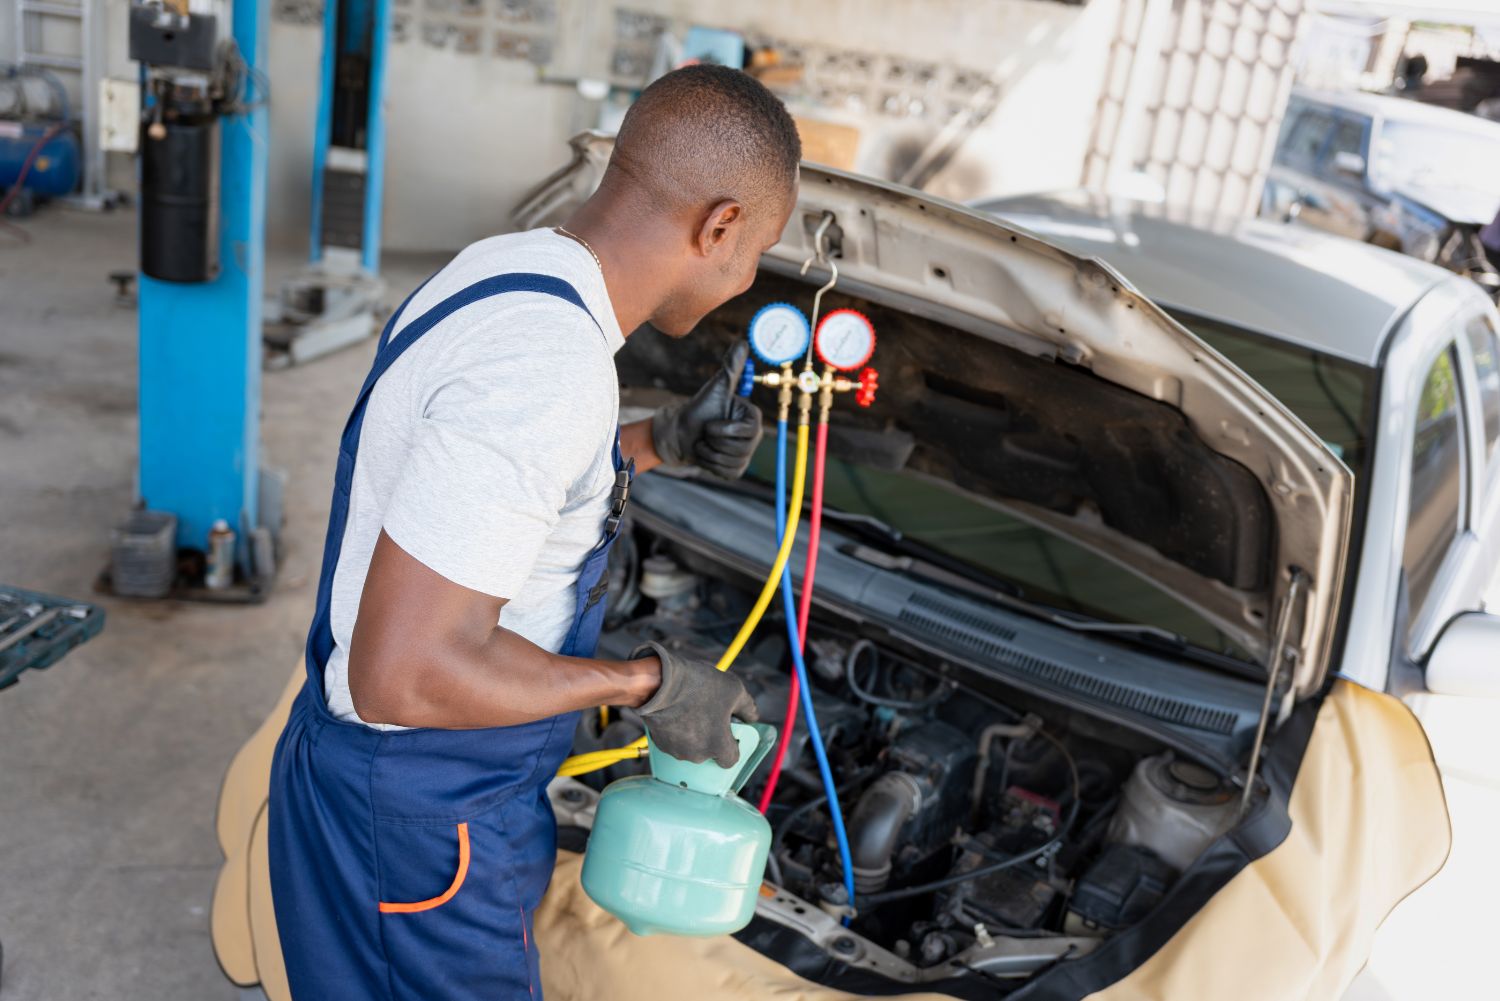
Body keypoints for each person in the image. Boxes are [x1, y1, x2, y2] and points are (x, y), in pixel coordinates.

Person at [267, 64, 802, 1000]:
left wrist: (652, 443)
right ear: (718, 227)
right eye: (754, 251)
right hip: (422, 816)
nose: (745, 277)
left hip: (412, 791)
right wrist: (651, 684)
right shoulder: (548, 368)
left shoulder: (506, 269)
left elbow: (479, 476)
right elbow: (407, 671)